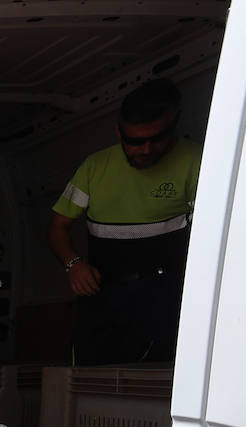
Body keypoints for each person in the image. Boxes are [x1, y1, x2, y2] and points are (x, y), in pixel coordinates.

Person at [47, 77, 201, 365]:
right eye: (135, 141)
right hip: (103, 294)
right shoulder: (95, 167)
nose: (146, 149)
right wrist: (73, 265)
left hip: (166, 296)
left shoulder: (197, 161)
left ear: (175, 123)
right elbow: (58, 226)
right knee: (89, 375)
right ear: (118, 132)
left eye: (157, 138)